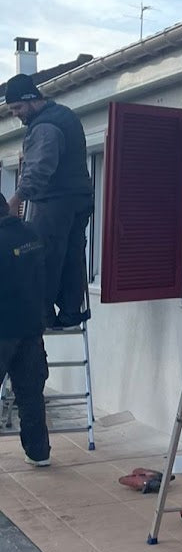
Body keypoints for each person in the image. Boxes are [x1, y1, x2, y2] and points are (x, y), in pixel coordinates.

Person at [5, 73, 94, 328]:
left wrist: (17, 199)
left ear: (32, 100)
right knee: (72, 254)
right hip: (79, 198)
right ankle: (70, 312)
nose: (15, 114)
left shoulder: (45, 127)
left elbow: (39, 168)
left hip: (56, 202)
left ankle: (41, 315)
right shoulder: (64, 115)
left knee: (41, 254)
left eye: (17, 107)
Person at [0, 192, 51, 467]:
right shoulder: (30, 234)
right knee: (31, 393)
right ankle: (39, 454)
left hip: (2, 330)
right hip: (31, 328)